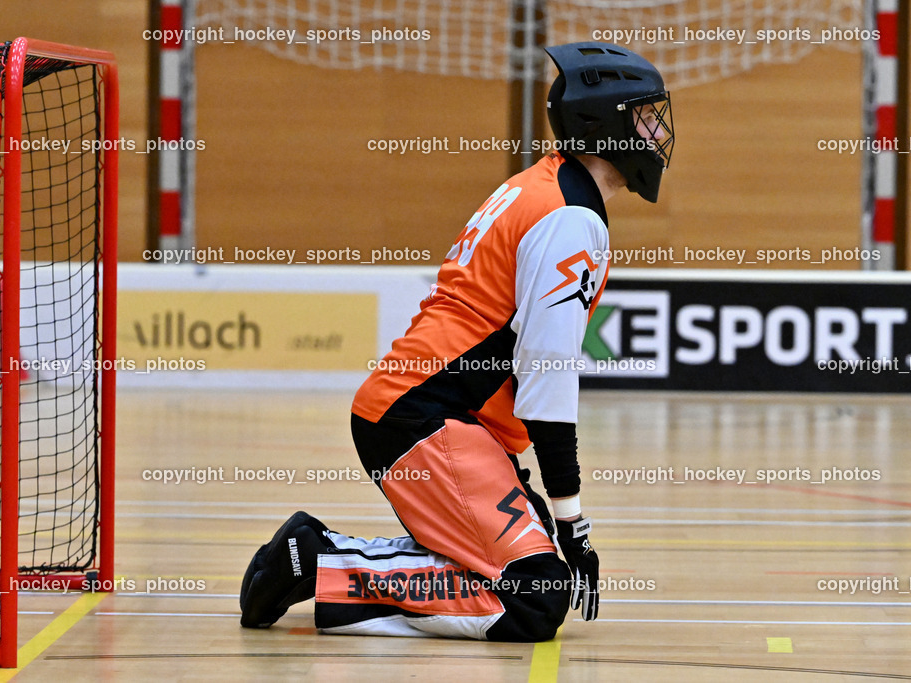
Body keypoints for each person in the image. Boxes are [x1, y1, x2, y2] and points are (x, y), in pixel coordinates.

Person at [239, 41, 674, 642]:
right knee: (536, 601)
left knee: (520, 572)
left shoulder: (542, 186)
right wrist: (573, 520)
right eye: (648, 116)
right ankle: (319, 561)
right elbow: (547, 376)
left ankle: (347, 561)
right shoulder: (572, 217)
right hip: (426, 417)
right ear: (608, 124)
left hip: (431, 414)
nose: (659, 133)